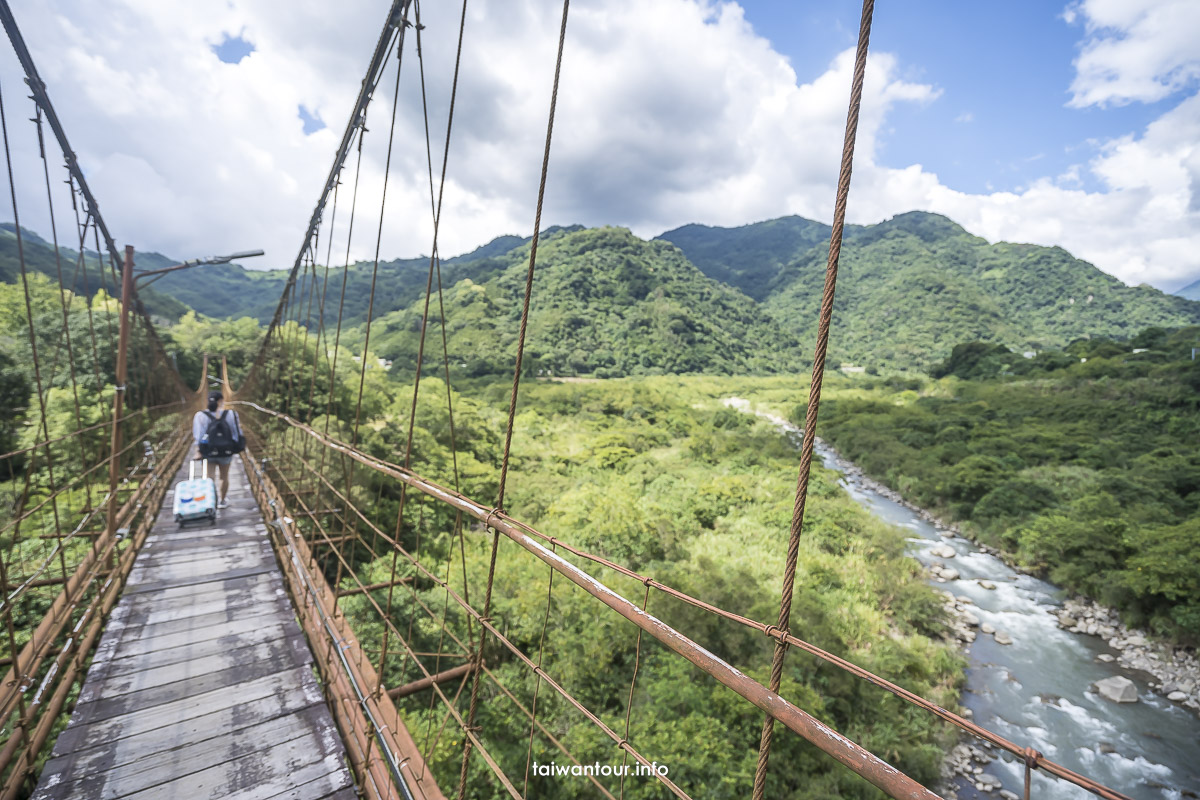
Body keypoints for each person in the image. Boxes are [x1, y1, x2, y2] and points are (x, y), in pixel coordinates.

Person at [192, 391, 243, 509]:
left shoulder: (200, 415)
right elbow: (237, 433)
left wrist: (198, 449)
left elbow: (198, 436)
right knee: (224, 477)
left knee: (209, 477)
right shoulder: (231, 414)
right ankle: (222, 501)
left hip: (208, 451)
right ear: (221, 401)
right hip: (226, 450)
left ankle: (211, 501)